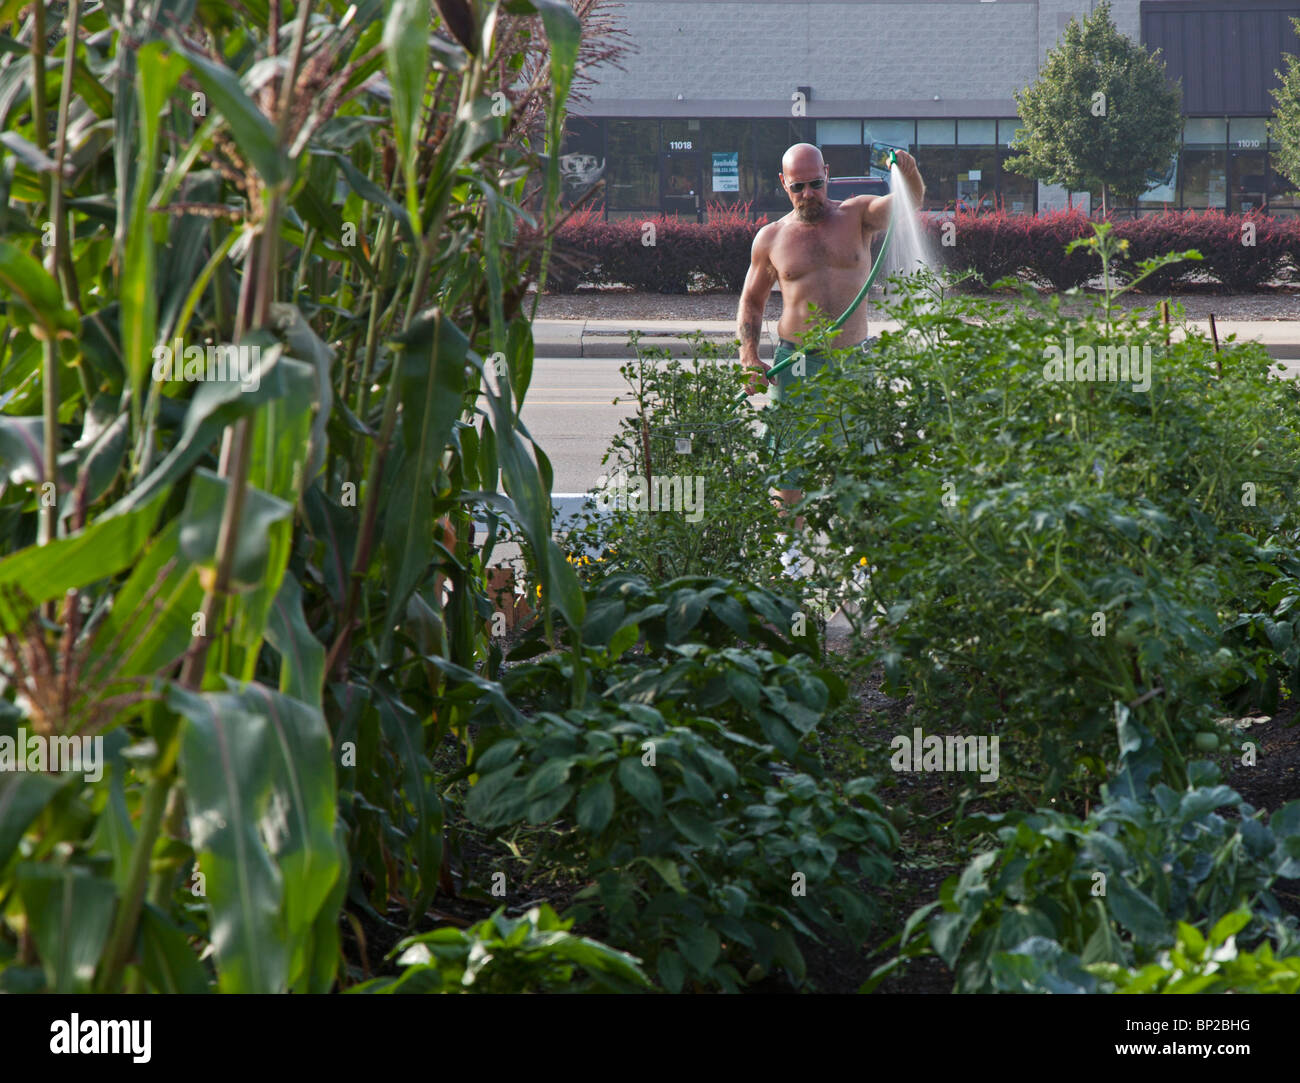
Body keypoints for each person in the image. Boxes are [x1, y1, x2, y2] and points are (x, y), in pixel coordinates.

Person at [736, 142, 925, 540]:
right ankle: (789, 561)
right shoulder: (771, 238)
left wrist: (907, 171)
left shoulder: (858, 215)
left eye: (816, 183)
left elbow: (909, 202)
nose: (808, 194)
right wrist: (749, 357)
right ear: (783, 184)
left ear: (828, 173)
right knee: (789, 470)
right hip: (796, 366)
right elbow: (752, 303)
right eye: (798, 186)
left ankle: (856, 571)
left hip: (853, 364)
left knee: (859, 468)